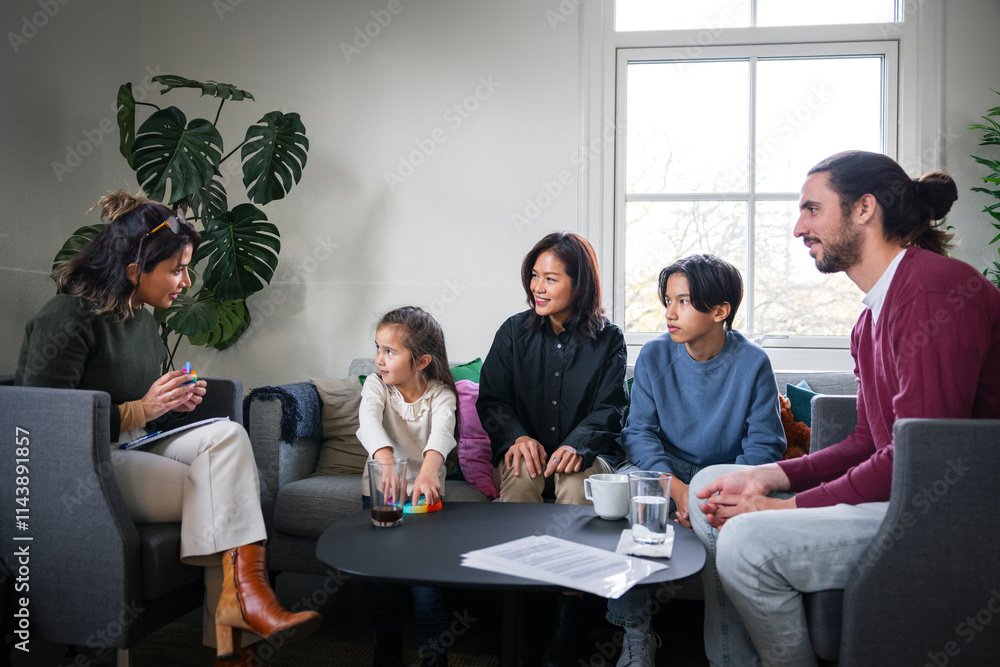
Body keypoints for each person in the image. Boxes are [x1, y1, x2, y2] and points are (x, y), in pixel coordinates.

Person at [691, 150, 1000, 667]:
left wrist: (784, 508)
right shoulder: (871, 317)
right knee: (716, 482)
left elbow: (918, 460)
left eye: (812, 209)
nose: (797, 228)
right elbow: (866, 442)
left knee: (746, 539)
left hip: (949, 511)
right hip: (906, 490)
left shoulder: (932, 291)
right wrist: (769, 475)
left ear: (863, 209)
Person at [15, 191, 320, 665]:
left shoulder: (140, 318)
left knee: (228, 436)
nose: (186, 280)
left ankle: (237, 618)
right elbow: (43, 426)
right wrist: (140, 409)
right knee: (225, 485)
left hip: (133, 448)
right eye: (177, 269)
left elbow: (142, 407)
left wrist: (173, 404)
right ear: (135, 270)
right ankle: (236, 629)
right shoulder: (68, 317)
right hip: (82, 471)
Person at [606, 254, 786, 667]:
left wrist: (708, 494)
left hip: (724, 477)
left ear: (720, 311)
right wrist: (676, 488)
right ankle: (635, 634)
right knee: (632, 497)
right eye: (667, 300)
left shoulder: (752, 362)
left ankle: (729, 652)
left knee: (735, 521)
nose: (669, 312)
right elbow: (638, 433)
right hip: (664, 473)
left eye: (683, 302)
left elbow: (763, 446)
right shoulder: (653, 356)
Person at [477, 231, 628, 665]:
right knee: (523, 481)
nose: (537, 288)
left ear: (579, 284)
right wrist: (517, 437)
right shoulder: (512, 332)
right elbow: (493, 399)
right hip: (524, 452)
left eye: (550, 279)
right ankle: (522, 617)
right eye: (534, 277)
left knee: (573, 485)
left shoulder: (609, 339)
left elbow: (611, 408)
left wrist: (578, 445)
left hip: (587, 453)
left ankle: (570, 621)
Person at [356, 306, 458, 667]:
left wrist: (429, 472)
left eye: (390, 351)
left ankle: (435, 652)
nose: (378, 359)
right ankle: (387, 647)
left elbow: (442, 434)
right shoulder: (376, 386)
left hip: (424, 498)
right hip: (381, 496)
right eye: (377, 348)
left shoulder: (442, 395)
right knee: (382, 580)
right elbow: (368, 423)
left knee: (424, 583)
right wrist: (385, 462)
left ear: (422, 360)